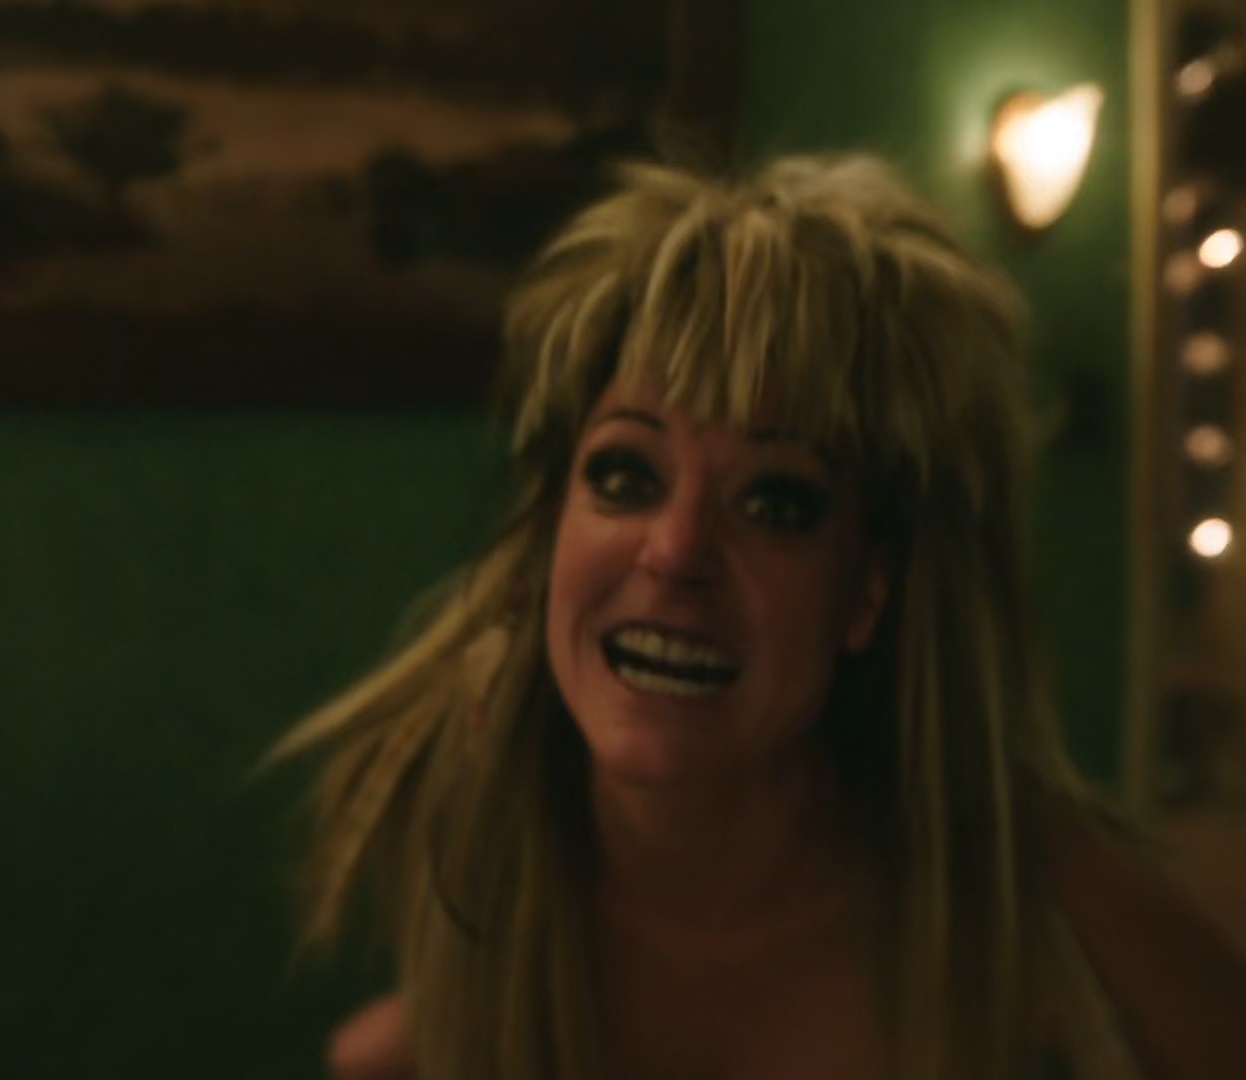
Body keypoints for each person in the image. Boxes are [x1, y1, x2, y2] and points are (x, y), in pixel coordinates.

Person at [270, 154, 1197, 1079]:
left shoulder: (1014, 912)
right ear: (552, 531)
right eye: (626, 476)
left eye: (774, 504)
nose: (676, 551)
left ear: (867, 592)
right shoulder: (481, 864)